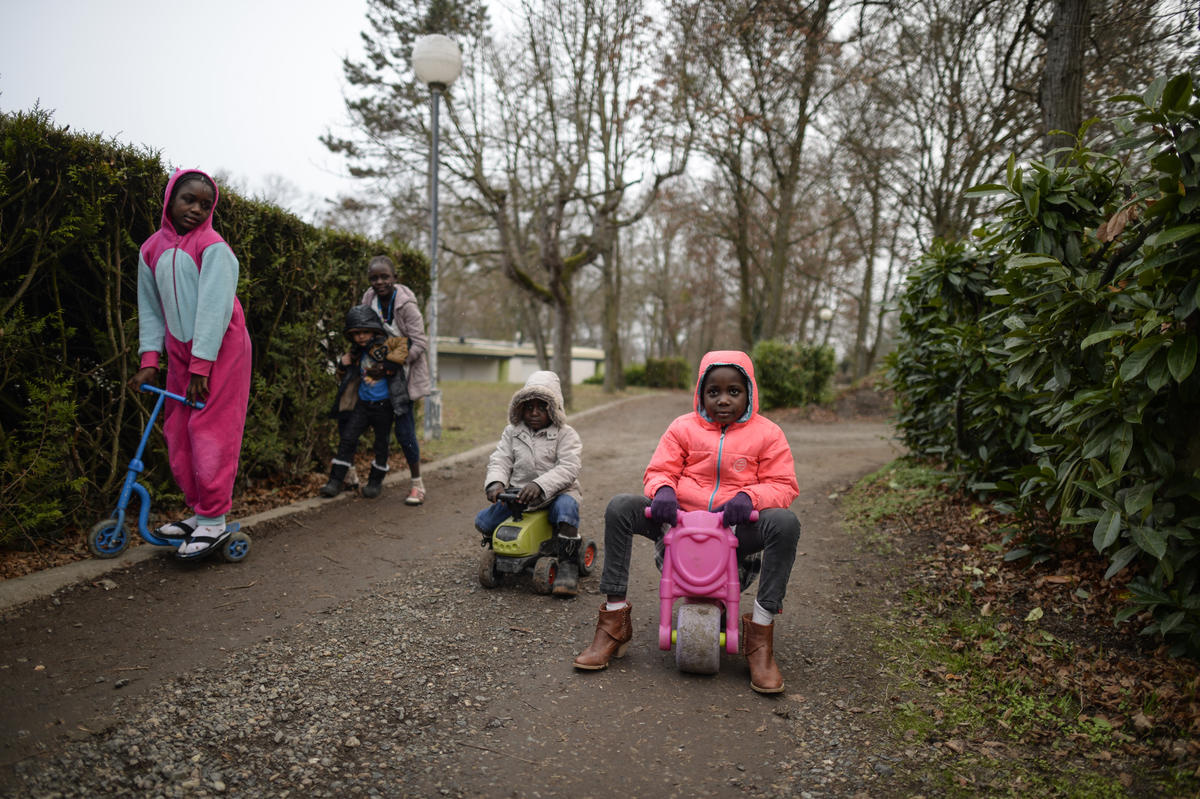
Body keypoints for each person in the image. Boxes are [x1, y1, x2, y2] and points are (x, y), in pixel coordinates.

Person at [572, 350, 801, 693]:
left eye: (734, 391)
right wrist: (663, 490)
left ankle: (760, 637)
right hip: (679, 524)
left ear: (749, 392)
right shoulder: (683, 428)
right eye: (714, 392)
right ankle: (614, 620)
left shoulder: (768, 434)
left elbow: (782, 484)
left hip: (735, 527)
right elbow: (659, 470)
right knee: (620, 507)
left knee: (785, 522)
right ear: (701, 393)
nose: (723, 400)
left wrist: (749, 498)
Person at [128, 169, 252, 558]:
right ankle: (201, 513)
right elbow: (150, 308)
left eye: (205, 204)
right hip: (182, 354)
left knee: (210, 430)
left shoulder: (214, 247)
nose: (196, 209)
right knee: (178, 431)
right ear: (170, 199)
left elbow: (215, 310)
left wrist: (202, 365)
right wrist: (150, 359)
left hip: (222, 351)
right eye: (188, 200)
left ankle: (214, 518)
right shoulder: (151, 249)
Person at [476, 371, 584, 596]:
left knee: (567, 511)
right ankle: (504, 551)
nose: (534, 412)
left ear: (553, 408)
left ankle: (567, 564)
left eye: (542, 407)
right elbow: (501, 459)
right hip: (518, 494)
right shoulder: (512, 432)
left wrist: (540, 485)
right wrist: (496, 483)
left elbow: (568, 468)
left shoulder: (566, 434)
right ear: (520, 408)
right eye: (529, 406)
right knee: (484, 522)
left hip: (556, 492)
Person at [361, 255, 430, 505]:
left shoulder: (406, 304)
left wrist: (390, 363)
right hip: (376, 371)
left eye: (384, 277)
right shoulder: (368, 299)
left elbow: (419, 342)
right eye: (374, 278)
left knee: (404, 432)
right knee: (379, 428)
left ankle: (417, 484)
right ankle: (376, 478)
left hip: (402, 375)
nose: (379, 282)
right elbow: (364, 331)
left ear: (395, 278)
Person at [320, 306, 408, 500]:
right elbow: (345, 375)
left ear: (374, 330)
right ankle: (335, 481)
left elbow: (403, 347)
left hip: (384, 406)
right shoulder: (356, 352)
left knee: (381, 444)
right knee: (348, 439)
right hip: (362, 404)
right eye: (356, 333)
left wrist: (385, 367)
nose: (360, 337)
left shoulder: (385, 345)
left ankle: (375, 482)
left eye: (365, 332)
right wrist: (344, 364)